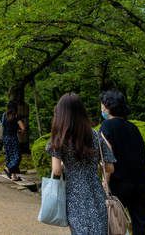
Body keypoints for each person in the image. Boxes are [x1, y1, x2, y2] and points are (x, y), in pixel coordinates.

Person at [46, 93, 116, 235]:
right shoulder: (95, 135)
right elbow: (110, 167)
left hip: (74, 198)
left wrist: (70, 165)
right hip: (96, 194)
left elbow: (57, 170)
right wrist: (91, 166)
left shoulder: (58, 139)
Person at [100, 90, 145, 235]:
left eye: (102, 105)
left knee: (116, 227)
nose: (102, 108)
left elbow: (107, 156)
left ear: (108, 107)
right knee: (140, 228)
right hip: (141, 184)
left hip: (119, 183)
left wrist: (105, 182)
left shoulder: (107, 126)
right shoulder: (133, 127)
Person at [1, 99, 28, 180]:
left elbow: (6, 126)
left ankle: (14, 176)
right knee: (17, 156)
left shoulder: (4, 116)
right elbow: (23, 128)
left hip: (5, 138)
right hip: (12, 138)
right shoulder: (16, 116)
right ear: (15, 108)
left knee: (9, 156)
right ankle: (8, 168)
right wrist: (19, 131)